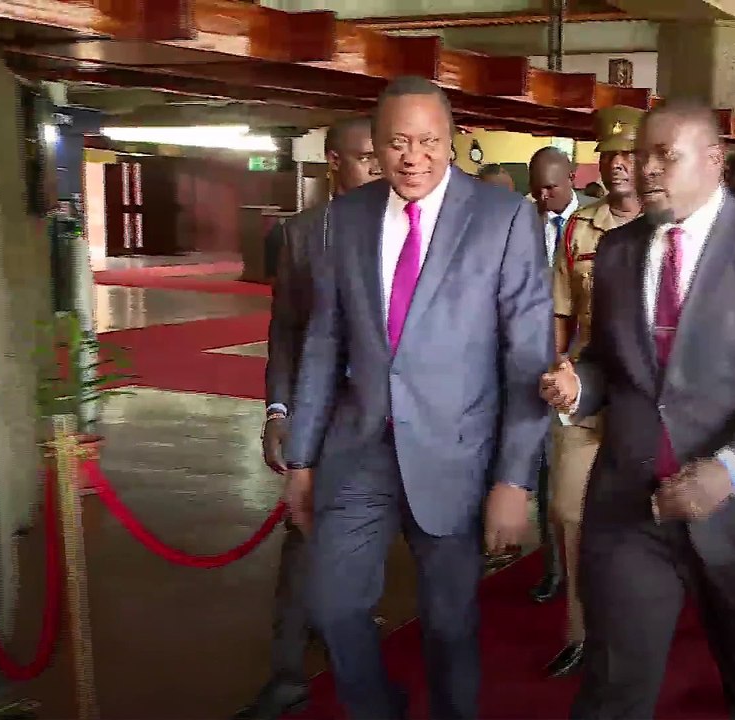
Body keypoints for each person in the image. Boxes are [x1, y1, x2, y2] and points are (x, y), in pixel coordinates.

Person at [540, 99, 735, 720]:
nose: (645, 169)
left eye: (664, 156)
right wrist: (578, 386)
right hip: (631, 504)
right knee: (614, 681)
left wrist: (726, 471)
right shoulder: (617, 250)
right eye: (640, 155)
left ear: (713, 160)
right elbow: (608, 363)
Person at [281, 76, 552, 720]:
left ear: (452, 141)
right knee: (332, 604)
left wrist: (515, 480)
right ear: (375, 145)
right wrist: (301, 459)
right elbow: (322, 342)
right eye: (397, 142)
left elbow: (528, 356)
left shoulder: (504, 218)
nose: (414, 157)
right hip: (361, 447)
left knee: (448, 623)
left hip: (457, 453)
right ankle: (378, 707)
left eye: (429, 141)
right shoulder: (342, 220)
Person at [239, 117, 381, 720]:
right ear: (333, 163)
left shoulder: (411, 227)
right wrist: (279, 408)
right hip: (325, 418)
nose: (380, 167)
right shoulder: (302, 235)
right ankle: (288, 672)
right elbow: (287, 334)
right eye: (366, 157)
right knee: (301, 541)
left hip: (400, 426)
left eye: (385, 156)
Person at [544, 104, 644, 678]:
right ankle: (579, 633)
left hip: (644, 393)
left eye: (627, 154)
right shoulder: (581, 227)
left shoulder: (665, 224)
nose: (617, 165)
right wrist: (556, 364)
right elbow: (562, 310)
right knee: (568, 508)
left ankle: (633, 628)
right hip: (585, 388)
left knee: (640, 519)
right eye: (608, 155)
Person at [527, 145, 595, 602]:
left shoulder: (594, 223)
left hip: (578, 374)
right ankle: (552, 566)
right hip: (527, 364)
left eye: (550, 186)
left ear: (571, 177)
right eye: (536, 188)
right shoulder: (520, 223)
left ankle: (579, 573)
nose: (543, 196)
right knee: (540, 473)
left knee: (565, 475)